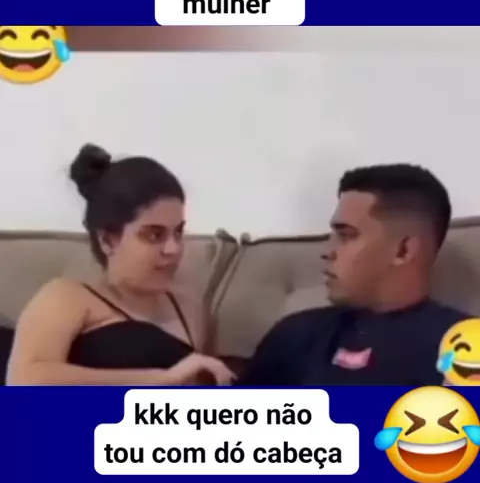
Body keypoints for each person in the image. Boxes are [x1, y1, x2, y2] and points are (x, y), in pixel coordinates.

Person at [7, 144, 234, 386]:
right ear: (107, 240)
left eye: (178, 232)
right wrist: (161, 379)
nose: (173, 249)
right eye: (154, 235)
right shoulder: (68, 298)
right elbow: (24, 382)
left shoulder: (191, 310)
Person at [239, 164, 467, 386]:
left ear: (403, 250)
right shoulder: (296, 332)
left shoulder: (463, 346)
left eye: (346, 235)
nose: (327, 251)